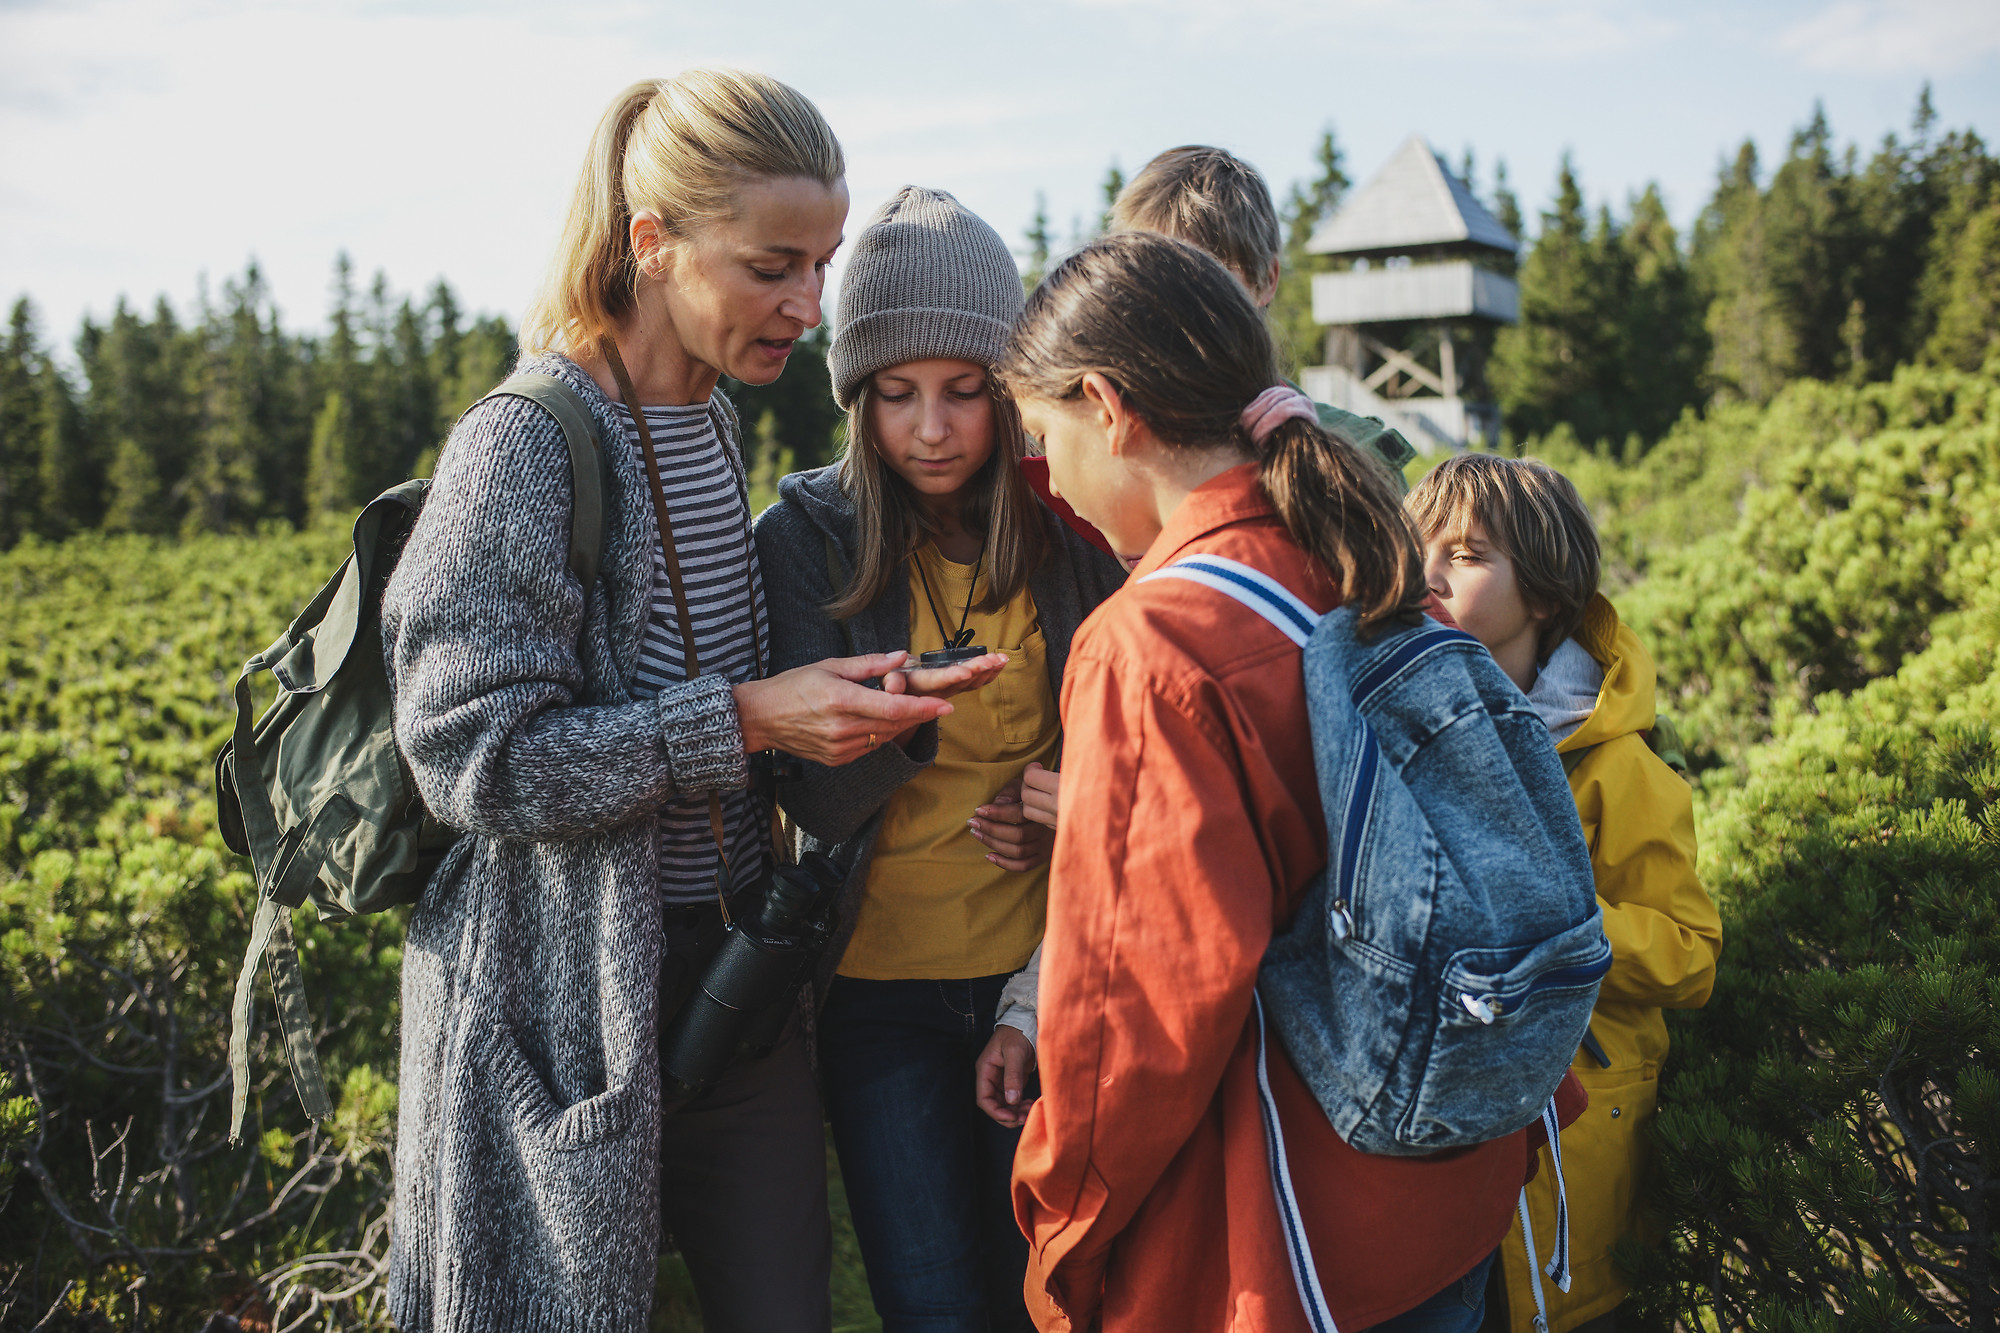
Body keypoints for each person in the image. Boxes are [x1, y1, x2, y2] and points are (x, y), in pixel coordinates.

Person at [382, 72, 981, 1333]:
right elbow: (469, 756)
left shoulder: (709, 423)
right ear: (651, 242)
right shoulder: (525, 444)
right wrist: (751, 718)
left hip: (739, 978)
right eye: (773, 265)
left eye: (819, 265)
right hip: (563, 1007)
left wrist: (856, 705)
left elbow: (730, 693)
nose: (807, 306)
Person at [997, 229, 1548, 1333]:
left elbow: (1138, 1010)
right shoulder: (1364, 566)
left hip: (1290, 1231)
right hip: (1451, 1173)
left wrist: (1058, 1216)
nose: (1045, 475)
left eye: (1042, 433)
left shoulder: (1151, 643)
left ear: (1107, 407)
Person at [754, 186, 1126, 1333]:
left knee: (1045, 1290)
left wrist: (1059, 804)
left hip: (1040, 972)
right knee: (929, 1300)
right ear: (855, 401)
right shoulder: (806, 542)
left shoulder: (1070, 539)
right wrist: (896, 718)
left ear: (1008, 392)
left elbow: (1117, 751)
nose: (929, 429)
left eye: (963, 393)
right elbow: (800, 792)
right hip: (879, 988)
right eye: (896, 397)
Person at [1407, 455, 1723, 1333]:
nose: (1429, 574)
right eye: (1418, 547)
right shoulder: (1392, 725)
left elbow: (1690, 952)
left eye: (1467, 555)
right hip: (1432, 1157)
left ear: (1545, 594)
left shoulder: (1615, 762)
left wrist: (1555, 921)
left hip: (1572, 1166)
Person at [1108, 144, 1419, 492]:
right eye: (1152, 274)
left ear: (1266, 280)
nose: (1175, 300)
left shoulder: (1353, 461)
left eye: (1206, 273)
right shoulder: (1101, 448)